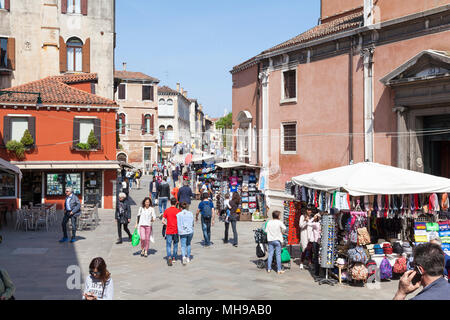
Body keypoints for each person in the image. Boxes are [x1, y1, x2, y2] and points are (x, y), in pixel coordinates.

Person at [162, 198, 180, 266]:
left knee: (168, 245)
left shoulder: (167, 210)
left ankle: (169, 257)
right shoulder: (178, 211)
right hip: (176, 230)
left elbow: (163, 221)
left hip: (169, 230)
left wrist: (167, 224)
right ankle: (174, 258)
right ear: (176, 203)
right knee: (175, 244)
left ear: (170, 203)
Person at [308, 213, 322, 278]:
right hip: (321, 242)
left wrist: (313, 218)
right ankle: (323, 272)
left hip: (316, 242)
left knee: (316, 257)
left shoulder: (316, 224)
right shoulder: (322, 224)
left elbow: (308, 223)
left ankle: (317, 272)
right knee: (321, 257)